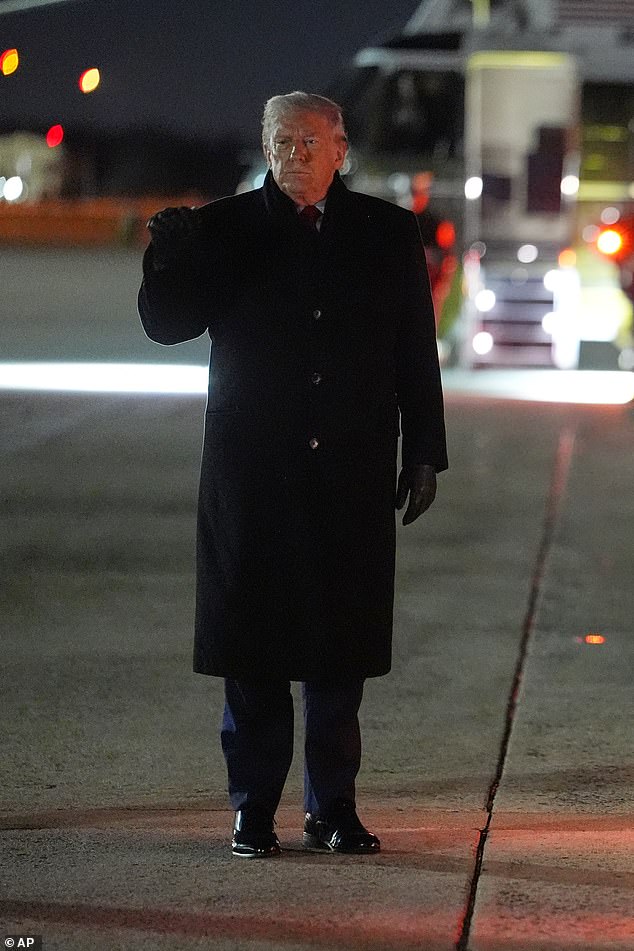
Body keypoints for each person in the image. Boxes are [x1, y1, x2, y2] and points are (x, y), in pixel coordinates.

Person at [138, 91, 448, 859]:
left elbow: (416, 349)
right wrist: (169, 255)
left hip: (349, 473)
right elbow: (166, 323)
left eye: (310, 142)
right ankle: (253, 809)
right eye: (282, 143)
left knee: (339, 659)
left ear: (342, 149)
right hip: (253, 477)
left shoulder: (386, 232)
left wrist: (424, 452)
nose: (295, 157)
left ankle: (333, 808)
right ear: (265, 148)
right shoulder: (224, 229)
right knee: (253, 657)